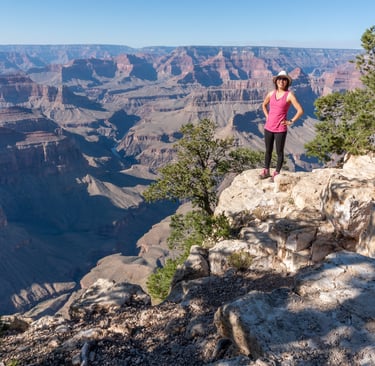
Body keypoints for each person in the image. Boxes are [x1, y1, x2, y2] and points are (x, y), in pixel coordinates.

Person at [260, 70, 304, 181]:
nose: (281, 81)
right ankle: (266, 170)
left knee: (279, 152)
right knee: (268, 150)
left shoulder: (289, 95)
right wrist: (267, 116)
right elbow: (264, 105)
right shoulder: (271, 94)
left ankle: (276, 173)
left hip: (280, 128)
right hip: (268, 127)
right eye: (280, 79)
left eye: (284, 79)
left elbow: (300, 110)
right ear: (276, 81)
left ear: (287, 82)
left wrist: (291, 121)